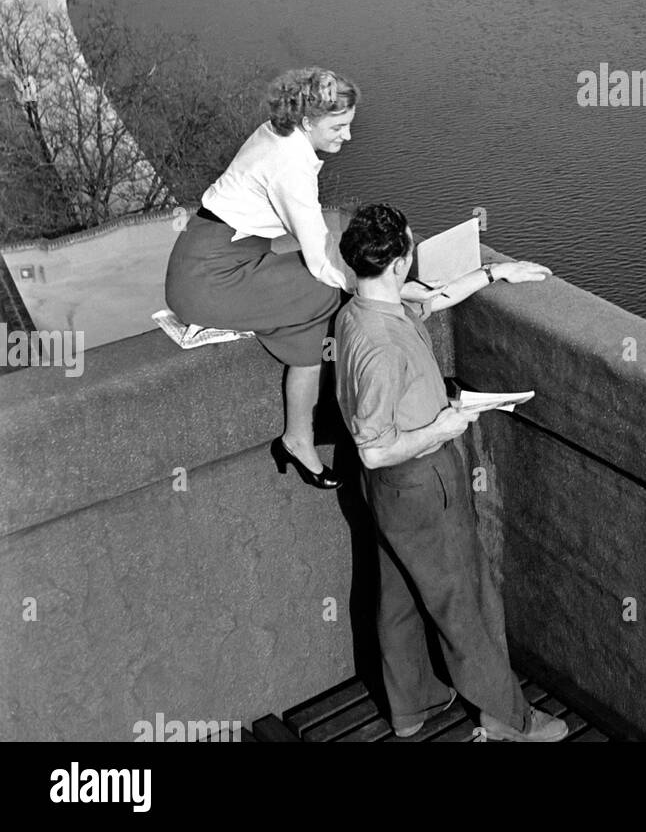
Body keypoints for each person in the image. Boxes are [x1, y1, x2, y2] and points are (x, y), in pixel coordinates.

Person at [334, 202, 567, 741]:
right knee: (468, 599)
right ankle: (509, 719)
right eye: (410, 250)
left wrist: (492, 272)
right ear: (397, 263)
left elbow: (429, 301)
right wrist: (443, 428)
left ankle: (411, 708)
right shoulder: (383, 347)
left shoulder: (357, 313)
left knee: (396, 593)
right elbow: (374, 448)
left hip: (390, 494)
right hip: (421, 482)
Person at [164, 66, 359, 490]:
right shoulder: (290, 164)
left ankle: (298, 438)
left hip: (215, 260)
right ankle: (307, 432)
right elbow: (320, 256)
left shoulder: (281, 131)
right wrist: (373, 287)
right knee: (323, 288)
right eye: (339, 126)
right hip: (209, 277)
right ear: (309, 121)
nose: (347, 136)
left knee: (310, 312)